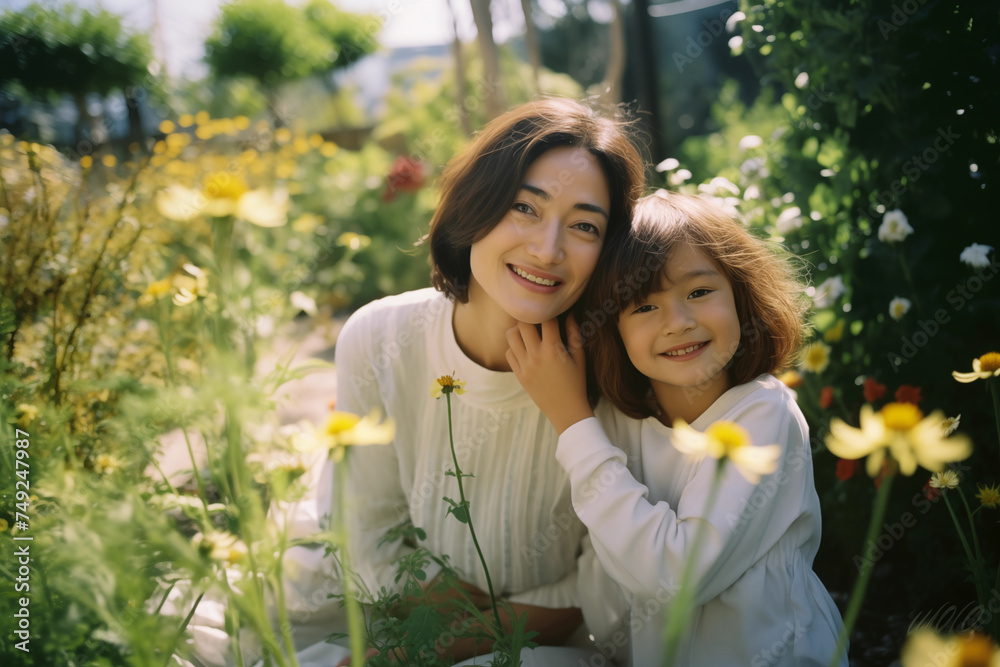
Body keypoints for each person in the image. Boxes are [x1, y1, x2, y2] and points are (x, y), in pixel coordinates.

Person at [330, 97, 646, 665]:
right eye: (526, 208)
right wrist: (429, 618)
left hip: (555, 644)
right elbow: (366, 532)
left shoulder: (618, 366)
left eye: (583, 226)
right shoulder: (378, 339)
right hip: (403, 620)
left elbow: (612, 582)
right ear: (476, 206)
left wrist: (481, 630)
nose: (547, 250)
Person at [506, 190, 848, 666]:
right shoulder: (614, 422)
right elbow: (602, 597)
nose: (679, 322)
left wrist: (571, 420)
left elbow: (676, 576)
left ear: (741, 296)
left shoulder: (763, 412)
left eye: (699, 292)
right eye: (643, 307)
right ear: (612, 329)